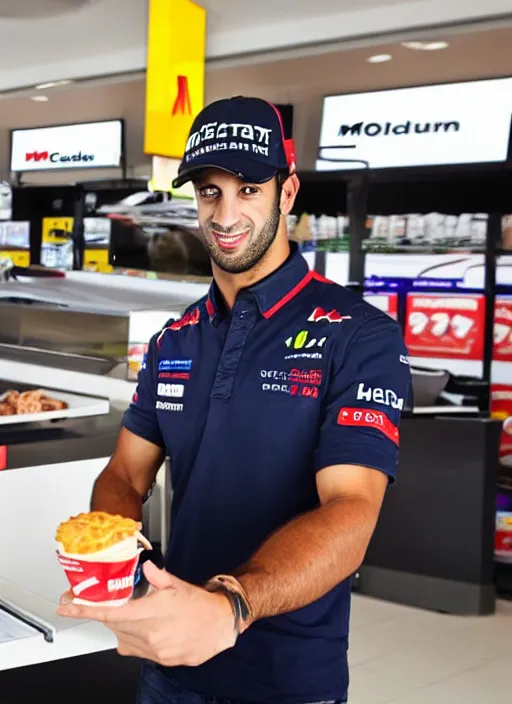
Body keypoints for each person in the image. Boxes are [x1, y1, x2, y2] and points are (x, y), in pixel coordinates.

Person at [57, 96, 411, 704]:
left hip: (285, 675)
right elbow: (124, 472)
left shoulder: (360, 334)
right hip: (167, 666)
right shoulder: (175, 338)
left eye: (248, 188)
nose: (225, 213)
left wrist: (232, 604)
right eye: (209, 191)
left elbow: (353, 509)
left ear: (288, 192)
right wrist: (114, 561)